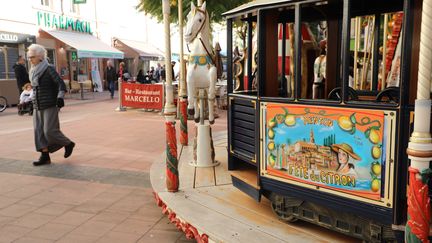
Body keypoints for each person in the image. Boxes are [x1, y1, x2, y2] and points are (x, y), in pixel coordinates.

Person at [27, 44, 75, 166]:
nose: (30, 59)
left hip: (49, 104)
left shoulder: (49, 69)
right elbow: (35, 89)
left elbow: (61, 85)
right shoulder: (33, 71)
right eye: (29, 57)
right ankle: (45, 157)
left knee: (49, 131)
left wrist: (60, 98)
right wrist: (30, 102)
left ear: (40, 57)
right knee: (39, 132)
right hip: (37, 105)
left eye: (32, 57)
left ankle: (68, 143)